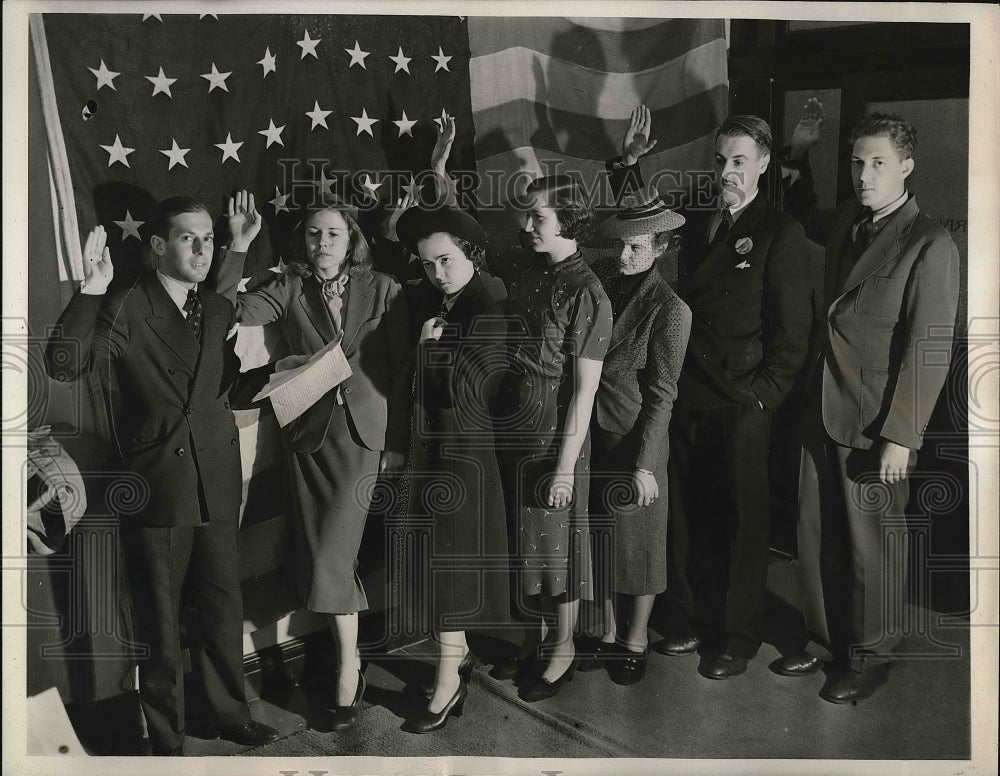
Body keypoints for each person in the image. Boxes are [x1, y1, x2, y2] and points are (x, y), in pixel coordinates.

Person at [44, 205, 279, 755]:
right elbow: (63, 365)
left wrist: (279, 376)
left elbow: (222, 386)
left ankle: (229, 713)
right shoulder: (126, 304)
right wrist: (92, 289)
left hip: (216, 476)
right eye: (188, 239)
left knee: (223, 603)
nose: (202, 250)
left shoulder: (216, 307)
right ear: (156, 245)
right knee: (161, 620)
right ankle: (167, 737)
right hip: (160, 482)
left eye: (208, 239)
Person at [608, 106, 812, 679]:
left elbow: (794, 332)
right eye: (721, 160)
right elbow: (643, 227)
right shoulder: (697, 217)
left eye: (740, 162)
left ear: (764, 164)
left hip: (742, 400)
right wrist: (629, 164)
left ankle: (738, 639)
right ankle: (694, 621)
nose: (727, 172)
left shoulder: (780, 231)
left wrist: (762, 397)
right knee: (689, 517)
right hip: (688, 392)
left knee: (744, 524)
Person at [775, 101, 960, 703]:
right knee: (815, 533)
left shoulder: (930, 242)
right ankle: (828, 641)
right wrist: (799, 151)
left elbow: (928, 348)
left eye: (878, 163)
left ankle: (872, 657)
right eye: (858, 163)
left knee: (871, 546)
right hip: (823, 406)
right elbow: (802, 212)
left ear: (906, 166)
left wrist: (902, 435)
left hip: (876, 420)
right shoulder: (849, 224)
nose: (864, 174)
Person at [213, 191, 410, 729]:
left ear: (352, 241)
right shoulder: (289, 287)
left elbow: (401, 370)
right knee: (324, 557)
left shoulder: (384, 288)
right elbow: (226, 309)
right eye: (314, 233)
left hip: (364, 439)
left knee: (331, 557)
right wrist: (238, 246)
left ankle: (348, 671)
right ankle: (346, 662)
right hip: (309, 437)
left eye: (334, 233)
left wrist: (397, 442)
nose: (323, 243)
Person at [489, 175, 613, 701]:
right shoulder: (530, 270)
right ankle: (534, 640)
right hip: (514, 424)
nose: (527, 225)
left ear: (570, 221)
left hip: (554, 433)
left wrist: (565, 469)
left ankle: (562, 649)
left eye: (538, 217)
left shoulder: (588, 292)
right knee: (524, 543)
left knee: (555, 549)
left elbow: (584, 392)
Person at [393, 205, 512, 732]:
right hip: (434, 456)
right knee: (440, 566)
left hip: (463, 459)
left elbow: (465, 396)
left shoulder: (486, 311)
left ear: (471, 256)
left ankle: (448, 681)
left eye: (446, 260)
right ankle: (453, 660)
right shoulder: (439, 302)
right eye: (427, 263)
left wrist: (427, 351)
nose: (437, 272)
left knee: (452, 572)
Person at [581, 186, 692, 686]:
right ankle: (607, 632)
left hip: (636, 441)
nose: (624, 255)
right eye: (621, 245)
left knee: (640, 547)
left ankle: (636, 639)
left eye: (636, 247)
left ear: (661, 248)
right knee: (601, 540)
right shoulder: (604, 281)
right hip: (593, 434)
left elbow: (662, 395)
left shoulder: (671, 310)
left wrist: (645, 464)